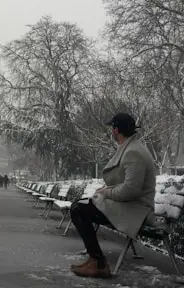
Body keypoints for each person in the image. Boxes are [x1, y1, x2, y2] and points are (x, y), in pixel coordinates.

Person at [70, 113, 156, 279]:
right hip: (131, 206)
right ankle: (95, 259)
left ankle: (98, 263)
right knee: (79, 206)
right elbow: (128, 185)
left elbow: (131, 190)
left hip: (137, 212)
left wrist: (106, 192)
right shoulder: (132, 148)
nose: (111, 131)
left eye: (112, 128)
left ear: (116, 130)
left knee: (79, 210)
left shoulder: (133, 152)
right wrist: (107, 190)